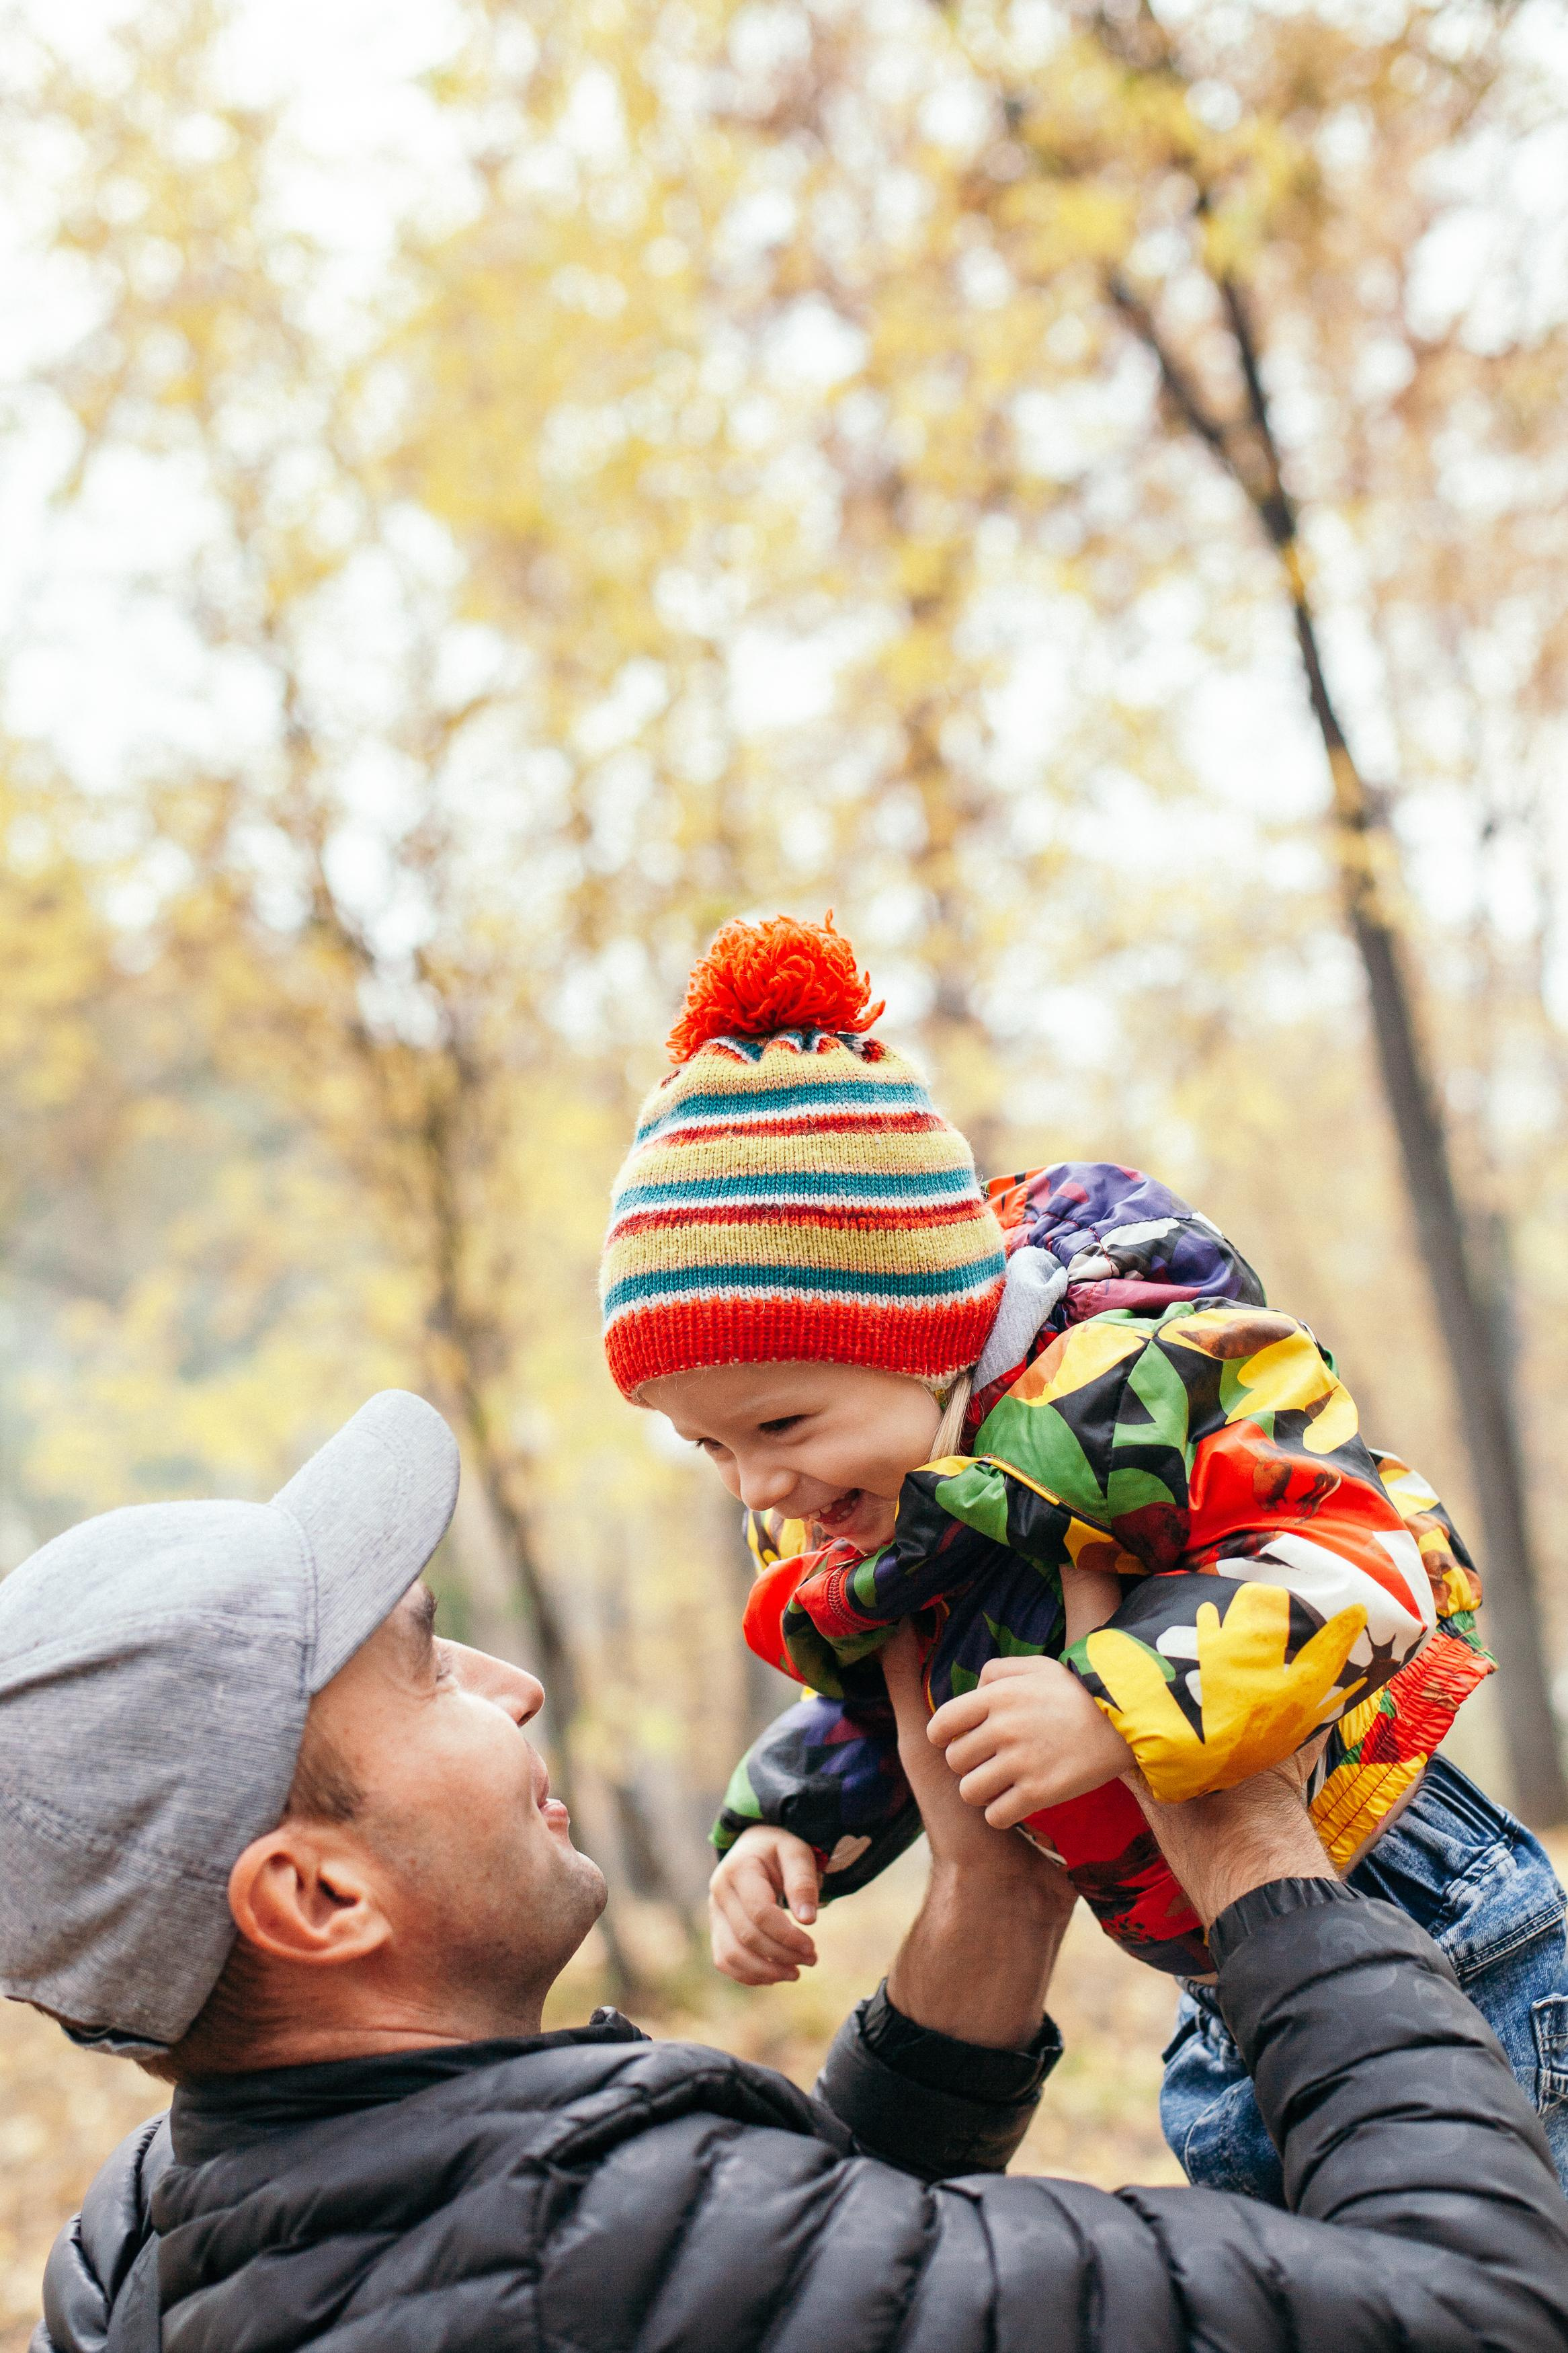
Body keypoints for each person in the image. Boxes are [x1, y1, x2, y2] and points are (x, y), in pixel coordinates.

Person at [2, 1390, 1565, 2353]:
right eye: (423, 1675)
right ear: (317, 1899)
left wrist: (986, 1900)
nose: (512, 1685)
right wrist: (1259, 1854)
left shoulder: (141, 2240)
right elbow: (1478, 2311)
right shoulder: (568, 2273)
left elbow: (778, 2259)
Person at [604, 912, 1568, 2194]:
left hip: (1414, 1908)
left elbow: (1350, 1562)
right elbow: (883, 1691)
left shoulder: (1130, 1395)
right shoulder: (880, 1504)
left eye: (781, 1424)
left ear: (930, 1335)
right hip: (1217, 1985)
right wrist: (788, 1827)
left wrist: (1117, 1698)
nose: (762, 1485)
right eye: (712, 1452)